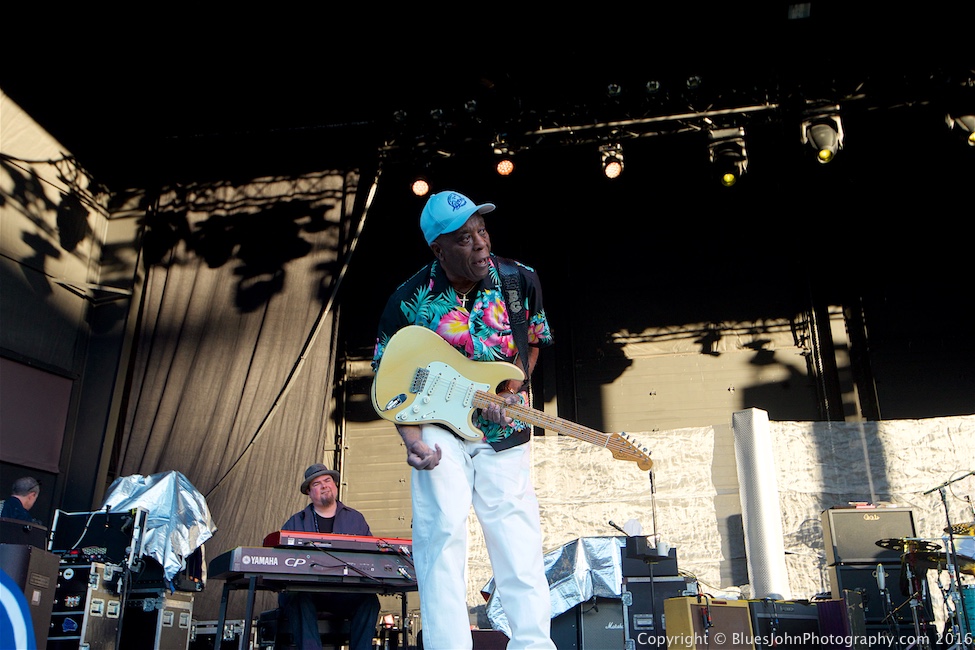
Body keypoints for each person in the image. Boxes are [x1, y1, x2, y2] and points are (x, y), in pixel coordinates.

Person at [371, 189, 556, 650]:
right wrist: (412, 441)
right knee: (442, 536)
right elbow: (388, 382)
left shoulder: (520, 280)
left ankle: (534, 644)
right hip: (438, 428)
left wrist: (511, 391)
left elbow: (533, 342)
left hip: (504, 429)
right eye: (464, 238)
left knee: (518, 543)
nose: (480, 243)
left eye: (482, 230)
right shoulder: (408, 300)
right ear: (438, 249)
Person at [278, 463, 381, 650]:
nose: (324, 485)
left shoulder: (355, 519)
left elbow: (372, 555)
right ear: (309, 492)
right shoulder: (295, 522)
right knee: (295, 596)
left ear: (335, 485)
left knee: (369, 601)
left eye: (327, 480)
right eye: (317, 483)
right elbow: (280, 559)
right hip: (309, 591)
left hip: (344, 592)